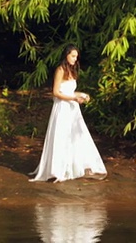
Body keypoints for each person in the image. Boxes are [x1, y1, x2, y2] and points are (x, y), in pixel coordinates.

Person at [29, 44, 107, 183]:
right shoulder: (60, 70)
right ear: (66, 55)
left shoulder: (72, 71)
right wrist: (73, 98)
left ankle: (78, 166)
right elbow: (56, 92)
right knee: (61, 136)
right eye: (72, 56)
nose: (75, 59)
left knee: (77, 135)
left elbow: (70, 91)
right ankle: (57, 169)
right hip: (62, 107)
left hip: (72, 108)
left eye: (76, 56)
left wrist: (82, 95)